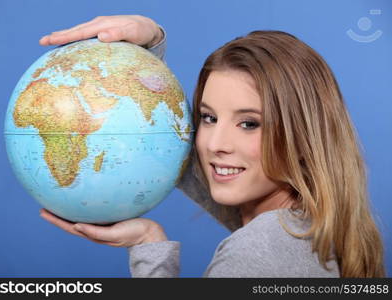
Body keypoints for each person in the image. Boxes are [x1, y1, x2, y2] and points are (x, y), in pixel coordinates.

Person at [39, 15, 385, 277]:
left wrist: (150, 250)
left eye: (249, 123)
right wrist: (149, 45)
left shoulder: (257, 252)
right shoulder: (310, 224)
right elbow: (164, 138)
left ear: (302, 136)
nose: (214, 144)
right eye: (208, 118)